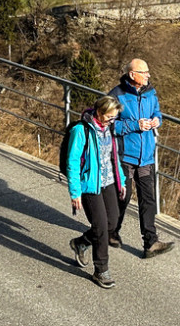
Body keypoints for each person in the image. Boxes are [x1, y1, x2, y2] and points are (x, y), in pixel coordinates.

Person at [110, 58, 174, 259]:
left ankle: (150, 242)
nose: (148, 75)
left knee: (148, 199)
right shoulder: (116, 95)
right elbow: (108, 124)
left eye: (148, 72)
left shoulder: (150, 92)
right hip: (125, 156)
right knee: (123, 197)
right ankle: (111, 231)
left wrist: (157, 121)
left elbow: (157, 113)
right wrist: (134, 125)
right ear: (132, 75)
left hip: (146, 157)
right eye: (144, 72)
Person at [66, 95, 126, 289]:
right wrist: (75, 192)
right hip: (90, 184)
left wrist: (121, 180)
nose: (112, 121)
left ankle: (81, 242)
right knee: (100, 227)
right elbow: (73, 161)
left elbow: (113, 157)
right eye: (109, 117)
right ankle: (101, 270)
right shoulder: (81, 130)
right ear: (99, 112)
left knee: (112, 223)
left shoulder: (109, 128)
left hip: (108, 182)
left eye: (114, 117)